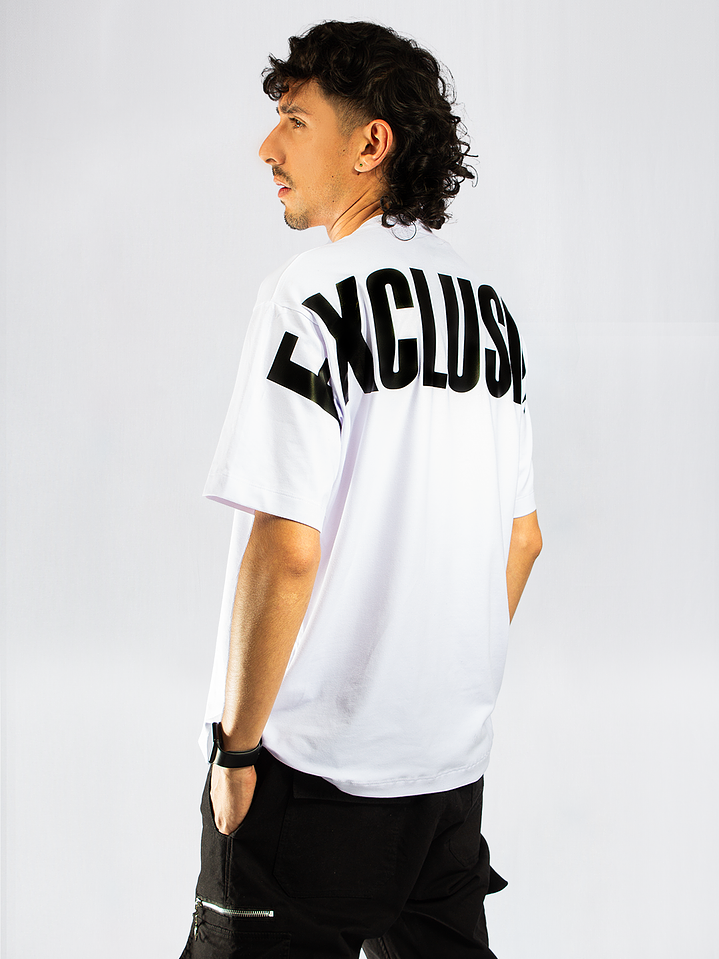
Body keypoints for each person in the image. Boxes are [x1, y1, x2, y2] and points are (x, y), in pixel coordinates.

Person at [180, 20, 542, 959]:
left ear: (369, 143)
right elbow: (521, 539)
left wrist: (237, 750)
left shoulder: (308, 294)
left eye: (295, 122)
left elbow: (286, 546)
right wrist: (429, 693)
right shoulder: (490, 313)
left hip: (304, 773)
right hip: (445, 778)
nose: (267, 147)